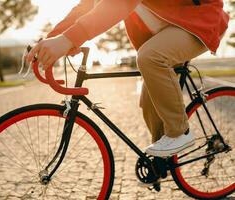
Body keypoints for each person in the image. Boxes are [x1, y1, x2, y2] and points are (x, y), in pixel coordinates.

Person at [26, 0, 229, 157]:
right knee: (149, 101)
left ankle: (179, 132)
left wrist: (68, 39)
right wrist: (50, 40)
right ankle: (160, 161)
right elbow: (85, 7)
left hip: (198, 21)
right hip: (163, 32)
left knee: (150, 57)